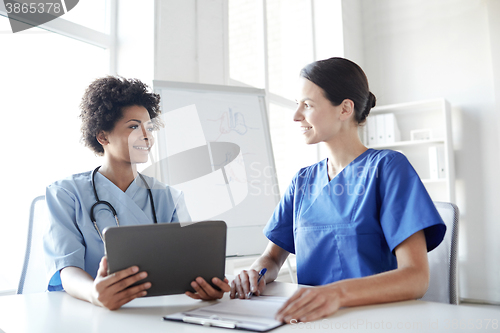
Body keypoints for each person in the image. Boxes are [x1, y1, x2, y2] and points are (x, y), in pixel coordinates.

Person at [229, 57, 446, 323]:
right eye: (297, 105)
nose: (296, 116)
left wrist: (336, 294)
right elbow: (272, 258)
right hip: (311, 321)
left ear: (344, 109)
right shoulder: (303, 180)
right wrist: (254, 272)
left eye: (307, 105)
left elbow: (416, 278)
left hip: (378, 321)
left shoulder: (388, 168)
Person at [44, 76, 230, 310]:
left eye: (149, 127)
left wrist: (203, 286)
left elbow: (186, 266)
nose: (147, 136)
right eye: (133, 126)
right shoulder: (66, 194)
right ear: (102, 136)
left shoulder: (168, 197)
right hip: (86, 312)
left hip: (154, 312)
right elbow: (66, 269)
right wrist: (94, 294)